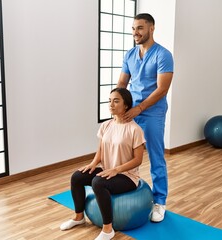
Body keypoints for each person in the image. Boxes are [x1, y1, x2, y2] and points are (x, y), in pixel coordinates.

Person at [60, 88, 146, 240]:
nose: (111, 104)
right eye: (109, 100)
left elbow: (138, 160)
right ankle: (79, 217)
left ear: (126, 105)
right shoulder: (106, 125)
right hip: (108, 170)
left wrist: (116, 169)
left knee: (98, 182)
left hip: (127, 176)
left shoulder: (135, 130)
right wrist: (93, 164)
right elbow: (100, 149)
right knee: (77, 177)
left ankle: (108, 229)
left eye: (116, 101)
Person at [116, 13, 174, 222]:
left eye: (140, 28)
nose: (135, 33)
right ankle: (127, 189)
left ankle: (160, 202)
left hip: (151, 112)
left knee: (156, 156)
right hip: (131, 110)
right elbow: (122, 83)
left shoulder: (163, 55)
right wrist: (118, 105)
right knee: (125, 154)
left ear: (151, 28)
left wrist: (139, 108)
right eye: (133, 29)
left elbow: (162, 89)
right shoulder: (130, 54)